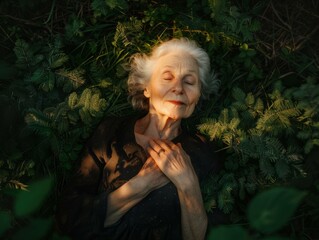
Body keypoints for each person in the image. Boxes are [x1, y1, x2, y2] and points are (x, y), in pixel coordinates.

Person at [56, 38, 222, 240]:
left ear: (197, 95)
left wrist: (188, 185)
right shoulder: (111, 132)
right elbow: (69, 217)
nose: (179, 88)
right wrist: (141, 185)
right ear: (147, 88)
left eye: (189, 81)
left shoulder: (202, 152)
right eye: (167, 77)